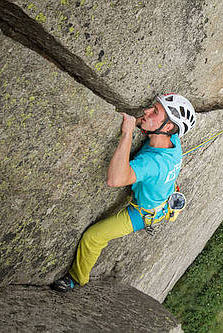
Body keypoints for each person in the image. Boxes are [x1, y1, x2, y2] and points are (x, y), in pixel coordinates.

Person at [52, 93, 196, 292]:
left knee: (93, 237)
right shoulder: (173, 142)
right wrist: (144, 120)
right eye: (152, 107)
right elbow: (151, 124)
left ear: (168, 127)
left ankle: (77, 279)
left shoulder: (152, 164)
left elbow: (115, 179)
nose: (146, 111)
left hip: (143, 213)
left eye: (154, 111)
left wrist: (127, 133)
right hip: (163, 195)